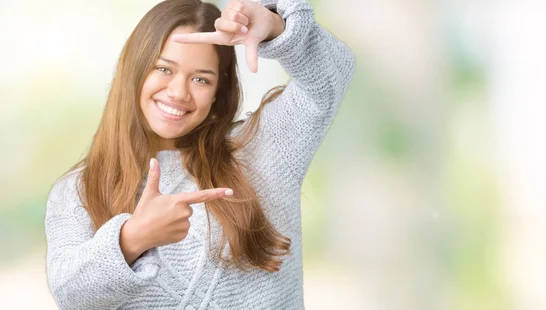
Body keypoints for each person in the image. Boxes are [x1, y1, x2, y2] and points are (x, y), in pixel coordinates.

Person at [44, 0, 355, 308]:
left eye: (200, 79)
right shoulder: (76, 191)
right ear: (134, 70)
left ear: (219, 90)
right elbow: (70, 296)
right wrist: (132, 238)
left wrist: (276, 28)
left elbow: (333, 75)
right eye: (164, 68)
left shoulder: (263, 149)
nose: (179, 92)